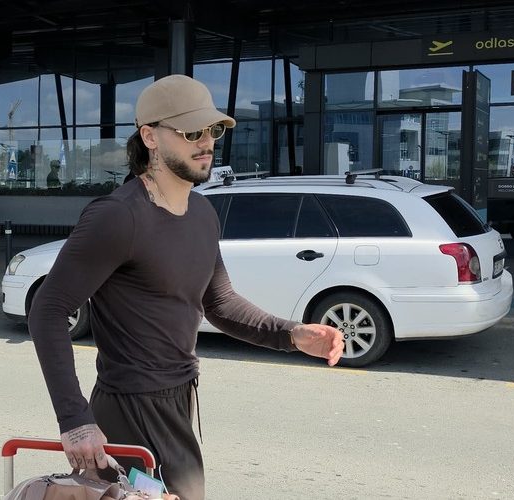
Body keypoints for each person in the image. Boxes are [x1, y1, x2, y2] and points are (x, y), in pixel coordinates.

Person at [28, 75, 344, 500]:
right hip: (129, 409)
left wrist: (291, 334)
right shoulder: (118, 216)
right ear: (150, 137)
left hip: (179, 401)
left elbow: (220, 302)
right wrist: (75, 420)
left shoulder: (202, 213)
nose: (206, 142)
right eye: (191, 132)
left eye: (212, 131)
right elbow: (47, 308)